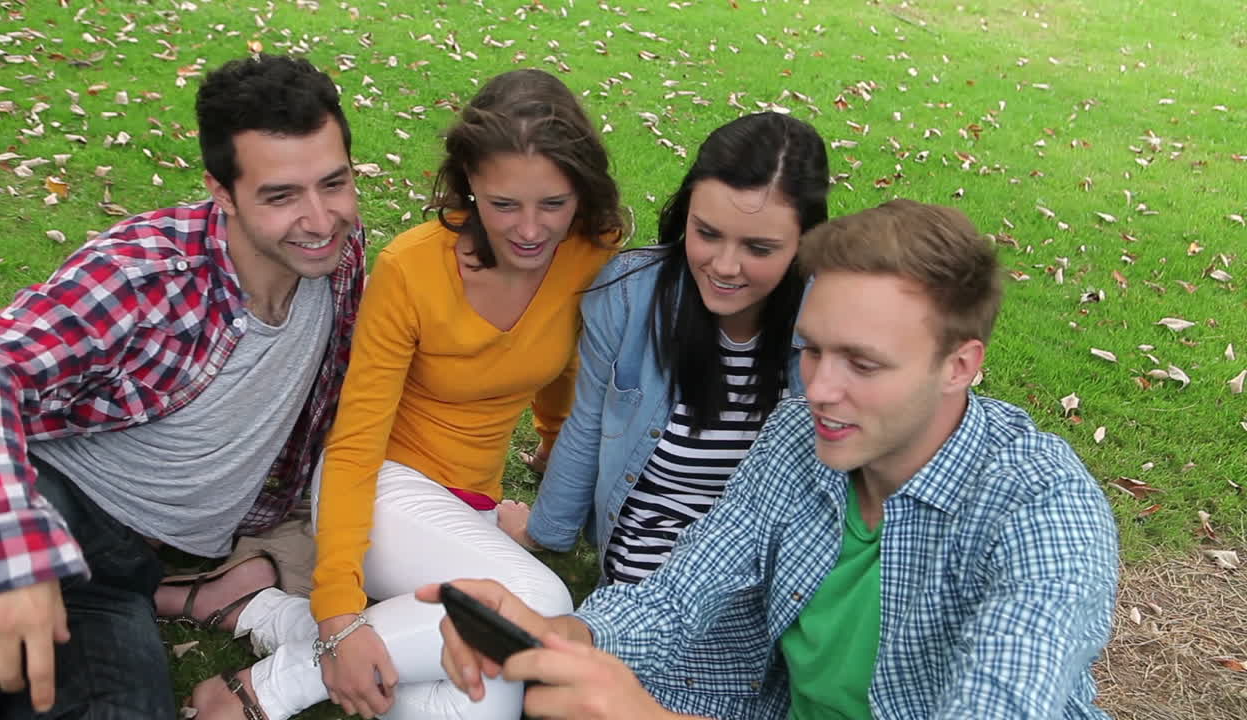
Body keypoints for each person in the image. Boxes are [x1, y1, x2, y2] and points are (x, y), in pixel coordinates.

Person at [422, 199, 1121, 719]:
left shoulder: (1042, 509)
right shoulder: (798, 437)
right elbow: (680, 593)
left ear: (959, 365)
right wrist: (561, 631)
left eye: (864, 363)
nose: (819, 388)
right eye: (813, 348)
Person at [190, 68, 626, 720]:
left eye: (554, 204)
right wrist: (339, 605)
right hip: (380, 490)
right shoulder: (413, 267)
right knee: (537, 603)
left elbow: (567, 360)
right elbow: (356, 438)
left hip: (467, 511)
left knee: (478, 698)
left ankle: (275, 618)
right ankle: (266, 689)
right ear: (470, 181)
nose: (531, 230)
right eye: (504, 204)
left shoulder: (592, 254)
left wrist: (553, 447)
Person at [0, 54, 365, 719]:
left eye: (335, 182)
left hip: (120, 576)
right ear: (222, 191)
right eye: (281, 196)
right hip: (39, 500)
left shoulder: (338, 265)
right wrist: (13, 555)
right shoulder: (147, 272)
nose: (321, 219)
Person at [499, 111, 830, 592]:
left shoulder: (830, 318)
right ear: (685, 214)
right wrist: (542, 531)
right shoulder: (631, 296)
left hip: (770, 570)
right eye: (708, 233)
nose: (725, 266)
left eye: (759, 248)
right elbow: (589, 423)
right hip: (649, 556)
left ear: (805, 243)